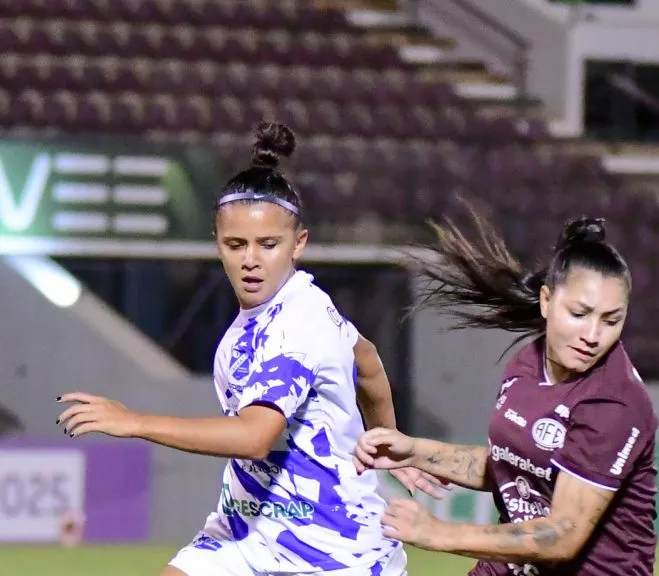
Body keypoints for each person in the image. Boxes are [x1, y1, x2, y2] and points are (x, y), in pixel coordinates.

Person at [56, 122, 446, 576]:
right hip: (247, 530)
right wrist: (386, 439)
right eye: (236, 244)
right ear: (217, 245)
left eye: (268, 245)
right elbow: (370, 362)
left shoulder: (296, 326)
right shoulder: (299, 304)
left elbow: (253, 438)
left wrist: (134, 421)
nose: (251, 260)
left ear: (298, 243)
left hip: (333, 550)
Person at [352, 210, 659, 575]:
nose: (593, 335)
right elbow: (514, 464)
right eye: (580, 313)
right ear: (546, 301)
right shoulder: (526, 365)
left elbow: (561, 536)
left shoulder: (613, 401)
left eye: (611, 320)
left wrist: (439, 533)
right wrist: (416, 451)